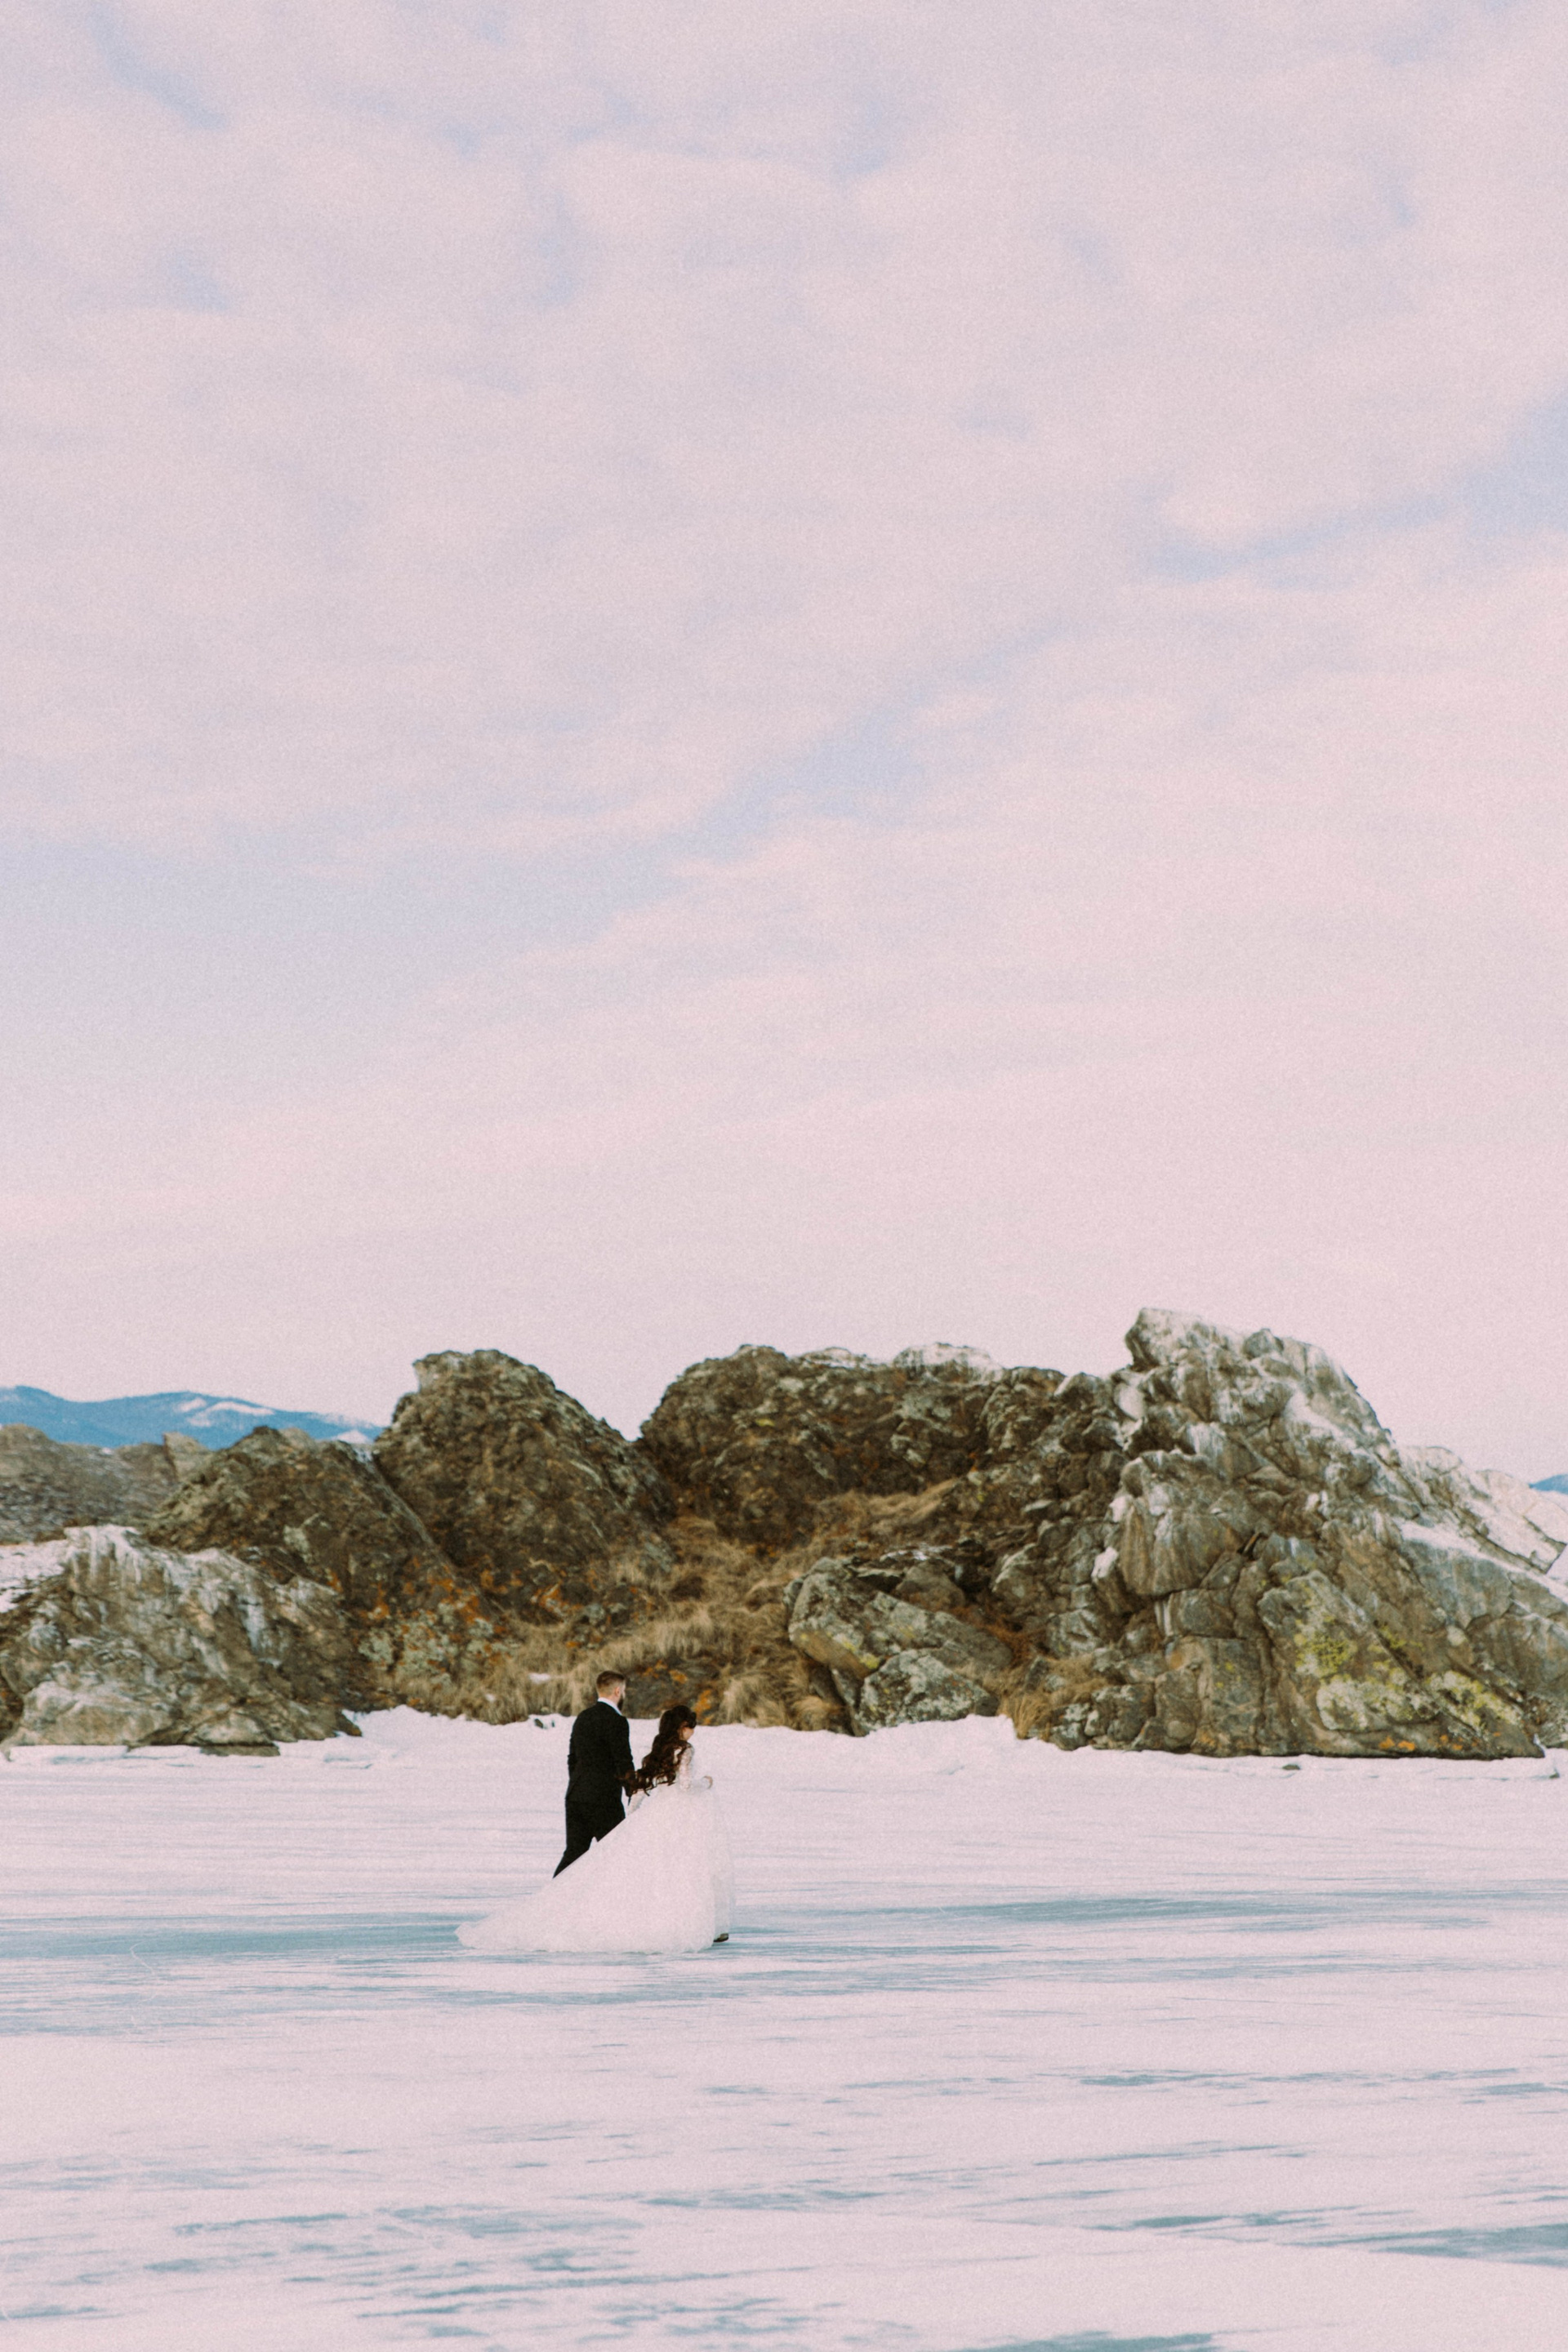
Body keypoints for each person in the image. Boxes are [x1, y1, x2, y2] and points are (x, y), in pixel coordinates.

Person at [459, 1702, 735, 1955]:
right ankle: (684, 1922)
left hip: (656, 1814)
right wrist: (707, 1782)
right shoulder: (685, 1750)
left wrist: (632, 1818)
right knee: (681, 1867)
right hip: (679, 1816)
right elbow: (685, 1786)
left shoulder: (656, 1752)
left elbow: (641, 1790)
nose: (693, 1731)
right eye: (691, 1726)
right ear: (683, 1727)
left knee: (649, 1867)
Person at [555, 1669, 635, 1875]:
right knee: (619, 1852)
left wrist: (580, 1784)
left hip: (576, 1795)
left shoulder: (583, 1717)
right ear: (618, 1691)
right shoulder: (617, 1721)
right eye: (624, 1690)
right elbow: (623, 1760)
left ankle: (553, 1894)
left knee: (574, 1854)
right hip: (604, 1799)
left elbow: (572, 1759)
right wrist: (633, 1791)